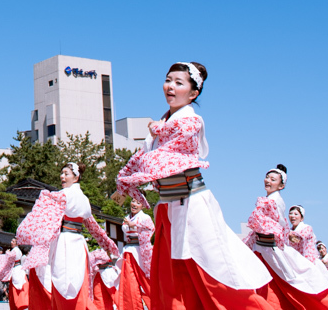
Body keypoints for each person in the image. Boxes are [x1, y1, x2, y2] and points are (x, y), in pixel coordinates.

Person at [115, 61, 276, 310]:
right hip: (168, 206)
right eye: (169, 80)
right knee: (171, 278)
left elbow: (160, 158)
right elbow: (139, 157)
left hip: (192, 203)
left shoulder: (191, 121)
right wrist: (122, 180)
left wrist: (136, 171)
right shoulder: (160, 125)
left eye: (179, 83)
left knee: (213, 274)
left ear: (193, 94)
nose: (170, 86)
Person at [16, 160, 118, 308]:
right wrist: (108, 243)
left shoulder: (61, 196)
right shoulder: (84, 199)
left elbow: (44, 218)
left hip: (64, 242)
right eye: (62, 173)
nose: (62, 176)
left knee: (62, 281)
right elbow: (93, 226)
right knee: (79, 281)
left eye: (66, 174)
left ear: (75, 177)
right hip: (79, 243)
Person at [246, 164, 328, 309]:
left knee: (291, 282)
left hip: (275, 248)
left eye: (273, 179)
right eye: (267, 177)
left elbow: (280, 225)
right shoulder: (269, 200)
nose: (268, 181)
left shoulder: (300, 223)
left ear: (281, 185)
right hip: (265, 246)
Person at [118, 193, 154, 310]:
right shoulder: (127, 217)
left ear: (143, 206)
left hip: (140, 251)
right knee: (129, 282)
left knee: (146, 281)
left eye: (138, 203)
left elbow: (151, 228)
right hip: (128, 250)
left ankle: (157, 304)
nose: (134, 204)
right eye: (133, 201)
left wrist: (135, 225)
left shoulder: (145, 218)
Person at [0, 238, 29, 310]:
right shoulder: (16, 250)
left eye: (13, 241)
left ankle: (18, 304)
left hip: (17, 270)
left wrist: (7, 252)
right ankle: (17, 304)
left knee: (17, 288)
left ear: (17, 243)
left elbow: (10, 257)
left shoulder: (15, 250)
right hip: (16, 269)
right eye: (11, 241)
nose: (11, 242)